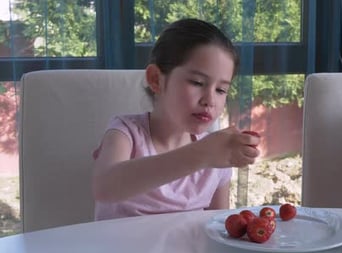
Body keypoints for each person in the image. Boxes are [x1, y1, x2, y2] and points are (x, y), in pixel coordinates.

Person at [92, 18, 261, 220]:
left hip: (185, 252)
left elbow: (218, 227)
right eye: (197, 82)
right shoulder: (125, 132)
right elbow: (104, 187)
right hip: (121, 250)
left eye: (221, 89)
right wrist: (201, 155)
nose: (210, 100)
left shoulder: (215, 156)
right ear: (156, 79)